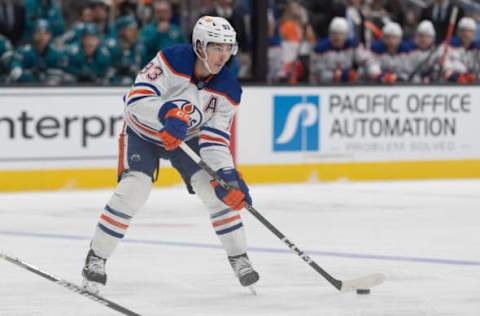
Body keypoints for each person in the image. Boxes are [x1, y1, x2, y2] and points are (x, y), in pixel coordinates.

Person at [81, 16, 259, 294]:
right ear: (200, 45)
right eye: (216, 47)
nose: (223, 55)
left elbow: (214, 141)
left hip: (187, 140)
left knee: (218, 193)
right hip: (143, 133)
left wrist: (228, 175)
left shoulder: (229, 90)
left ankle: (239, 257)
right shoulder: (172, 59)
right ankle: (97, 257)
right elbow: (136, 100)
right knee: (133, 190)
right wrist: (167, 115)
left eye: (227, 48)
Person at [310, 17, 380, 84]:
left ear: (346, 35)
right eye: (334, 33)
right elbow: (316, 72)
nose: (337, 37)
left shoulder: (353, 45)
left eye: (341, 34)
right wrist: (337, 76)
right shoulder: (320, 49)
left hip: (347, 84)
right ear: (330, 34)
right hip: (324, 86)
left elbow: (368, 60)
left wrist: (374, 71)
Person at [9, 19, 66, 84]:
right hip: (27, 90)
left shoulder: (56, 54)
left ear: (50, 35)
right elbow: (15, 72)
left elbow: (64, 76)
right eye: (38, 33)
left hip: (51, 91)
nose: (41, 37)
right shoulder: (23, 52)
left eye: (45, 33)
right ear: (33, 34)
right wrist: (32, 78)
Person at [107, 15, 147, 85]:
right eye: (131, 30)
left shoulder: (139, 47)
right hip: (110, 88)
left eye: (135, 30)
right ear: (121, 31)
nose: (135, 33)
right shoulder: (111, 47)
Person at [444, 17, 479, 83]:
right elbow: (444, 64)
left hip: (474, 83)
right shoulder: (448, 45)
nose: (466, 34)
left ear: (474, 33)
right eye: (463, 31)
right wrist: (456, 76)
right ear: (459, 32)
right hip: (452, 82)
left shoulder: (477, 48)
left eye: (470, 31)